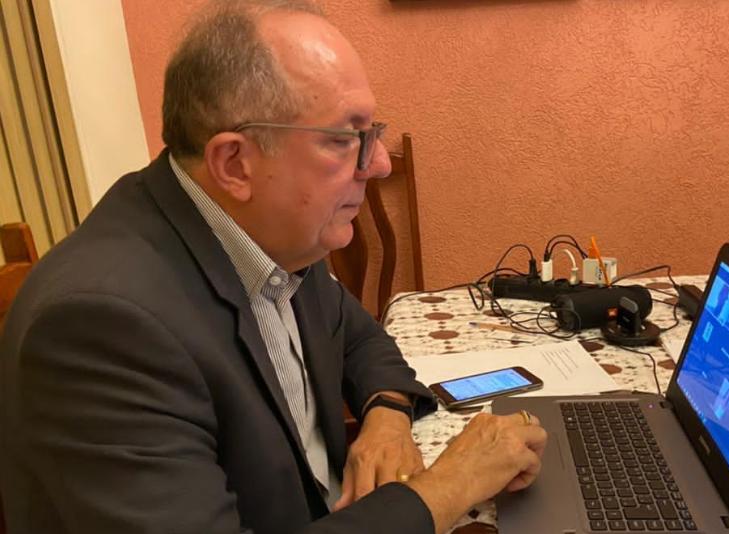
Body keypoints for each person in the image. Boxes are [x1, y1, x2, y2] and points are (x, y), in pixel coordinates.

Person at [0, 2, 547, 533]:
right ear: (234, 163)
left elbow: (357, 336)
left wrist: (386, 414)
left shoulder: (267, 231)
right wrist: (450, 485)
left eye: (371, 134)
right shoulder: (100, 328)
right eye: (345, 139)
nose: (379, 163)